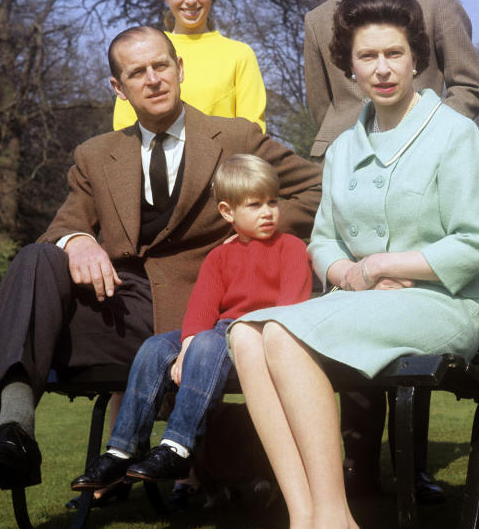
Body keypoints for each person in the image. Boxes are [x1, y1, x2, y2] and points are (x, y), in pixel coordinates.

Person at [0, 27, 321, 529]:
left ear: (180, 67)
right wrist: (78, 240)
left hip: (200, 322)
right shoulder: (96, 154)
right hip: (121, 314)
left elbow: (317, 190)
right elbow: (62, 225)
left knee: (11, 327)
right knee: (36, 260)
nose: (152, 78)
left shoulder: (236, 136)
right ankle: (12, 432)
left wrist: (251, 225)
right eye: (136, 73)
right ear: (118, 87)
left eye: (160, 65)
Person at [229, 0, 479, 529]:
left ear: (416, 58)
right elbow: (323, 242)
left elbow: (474, 244)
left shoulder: (454, 135)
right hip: (368, 303)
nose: (381, 69)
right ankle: (305, 523)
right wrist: (353, 273)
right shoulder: (347, 144)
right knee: (246, 334)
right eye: (367, 56)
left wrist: (390, 264)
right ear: (349, 64)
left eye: (394, 54)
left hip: (443, 308)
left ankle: (340, 525)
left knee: (284, 333)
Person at [303, 0, 479, 502]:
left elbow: (468, 84)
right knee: (346, 306)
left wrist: (426, 136)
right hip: (349, 172)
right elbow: (325, 109)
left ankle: (406, 468)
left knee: (400, 308)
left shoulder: (434, 0)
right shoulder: (319, 19)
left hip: (423, 172)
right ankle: (355, 469)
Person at [70, 154, 313, 494]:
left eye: (273, 202)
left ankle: (179, 446)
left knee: (210, 342)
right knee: (156, 346)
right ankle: (122, 449)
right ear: (228, 212)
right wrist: (185, 348)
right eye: (255, 205)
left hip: (257, 340)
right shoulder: (220, 257)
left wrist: (203, 344)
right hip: (214, 336)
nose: (268, 212)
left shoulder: (291, 248)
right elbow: (201, 309)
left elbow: (290, 311)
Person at [113, 0, 267, 131]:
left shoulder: (239, 55)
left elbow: (252, 133)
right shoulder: (145, 51)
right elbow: (125, 129)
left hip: (223, 159)